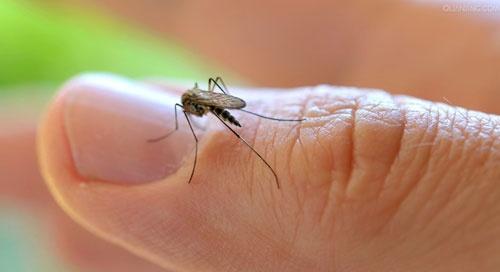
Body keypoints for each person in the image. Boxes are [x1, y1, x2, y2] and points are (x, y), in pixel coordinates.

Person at [4, 1, 500, 271]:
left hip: (232, 110)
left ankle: (268, 136)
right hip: (220, 106)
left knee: (224, 123)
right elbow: (191, 110)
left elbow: (204, 108)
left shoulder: (199, 102)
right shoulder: (190, 103)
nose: (186, 110)